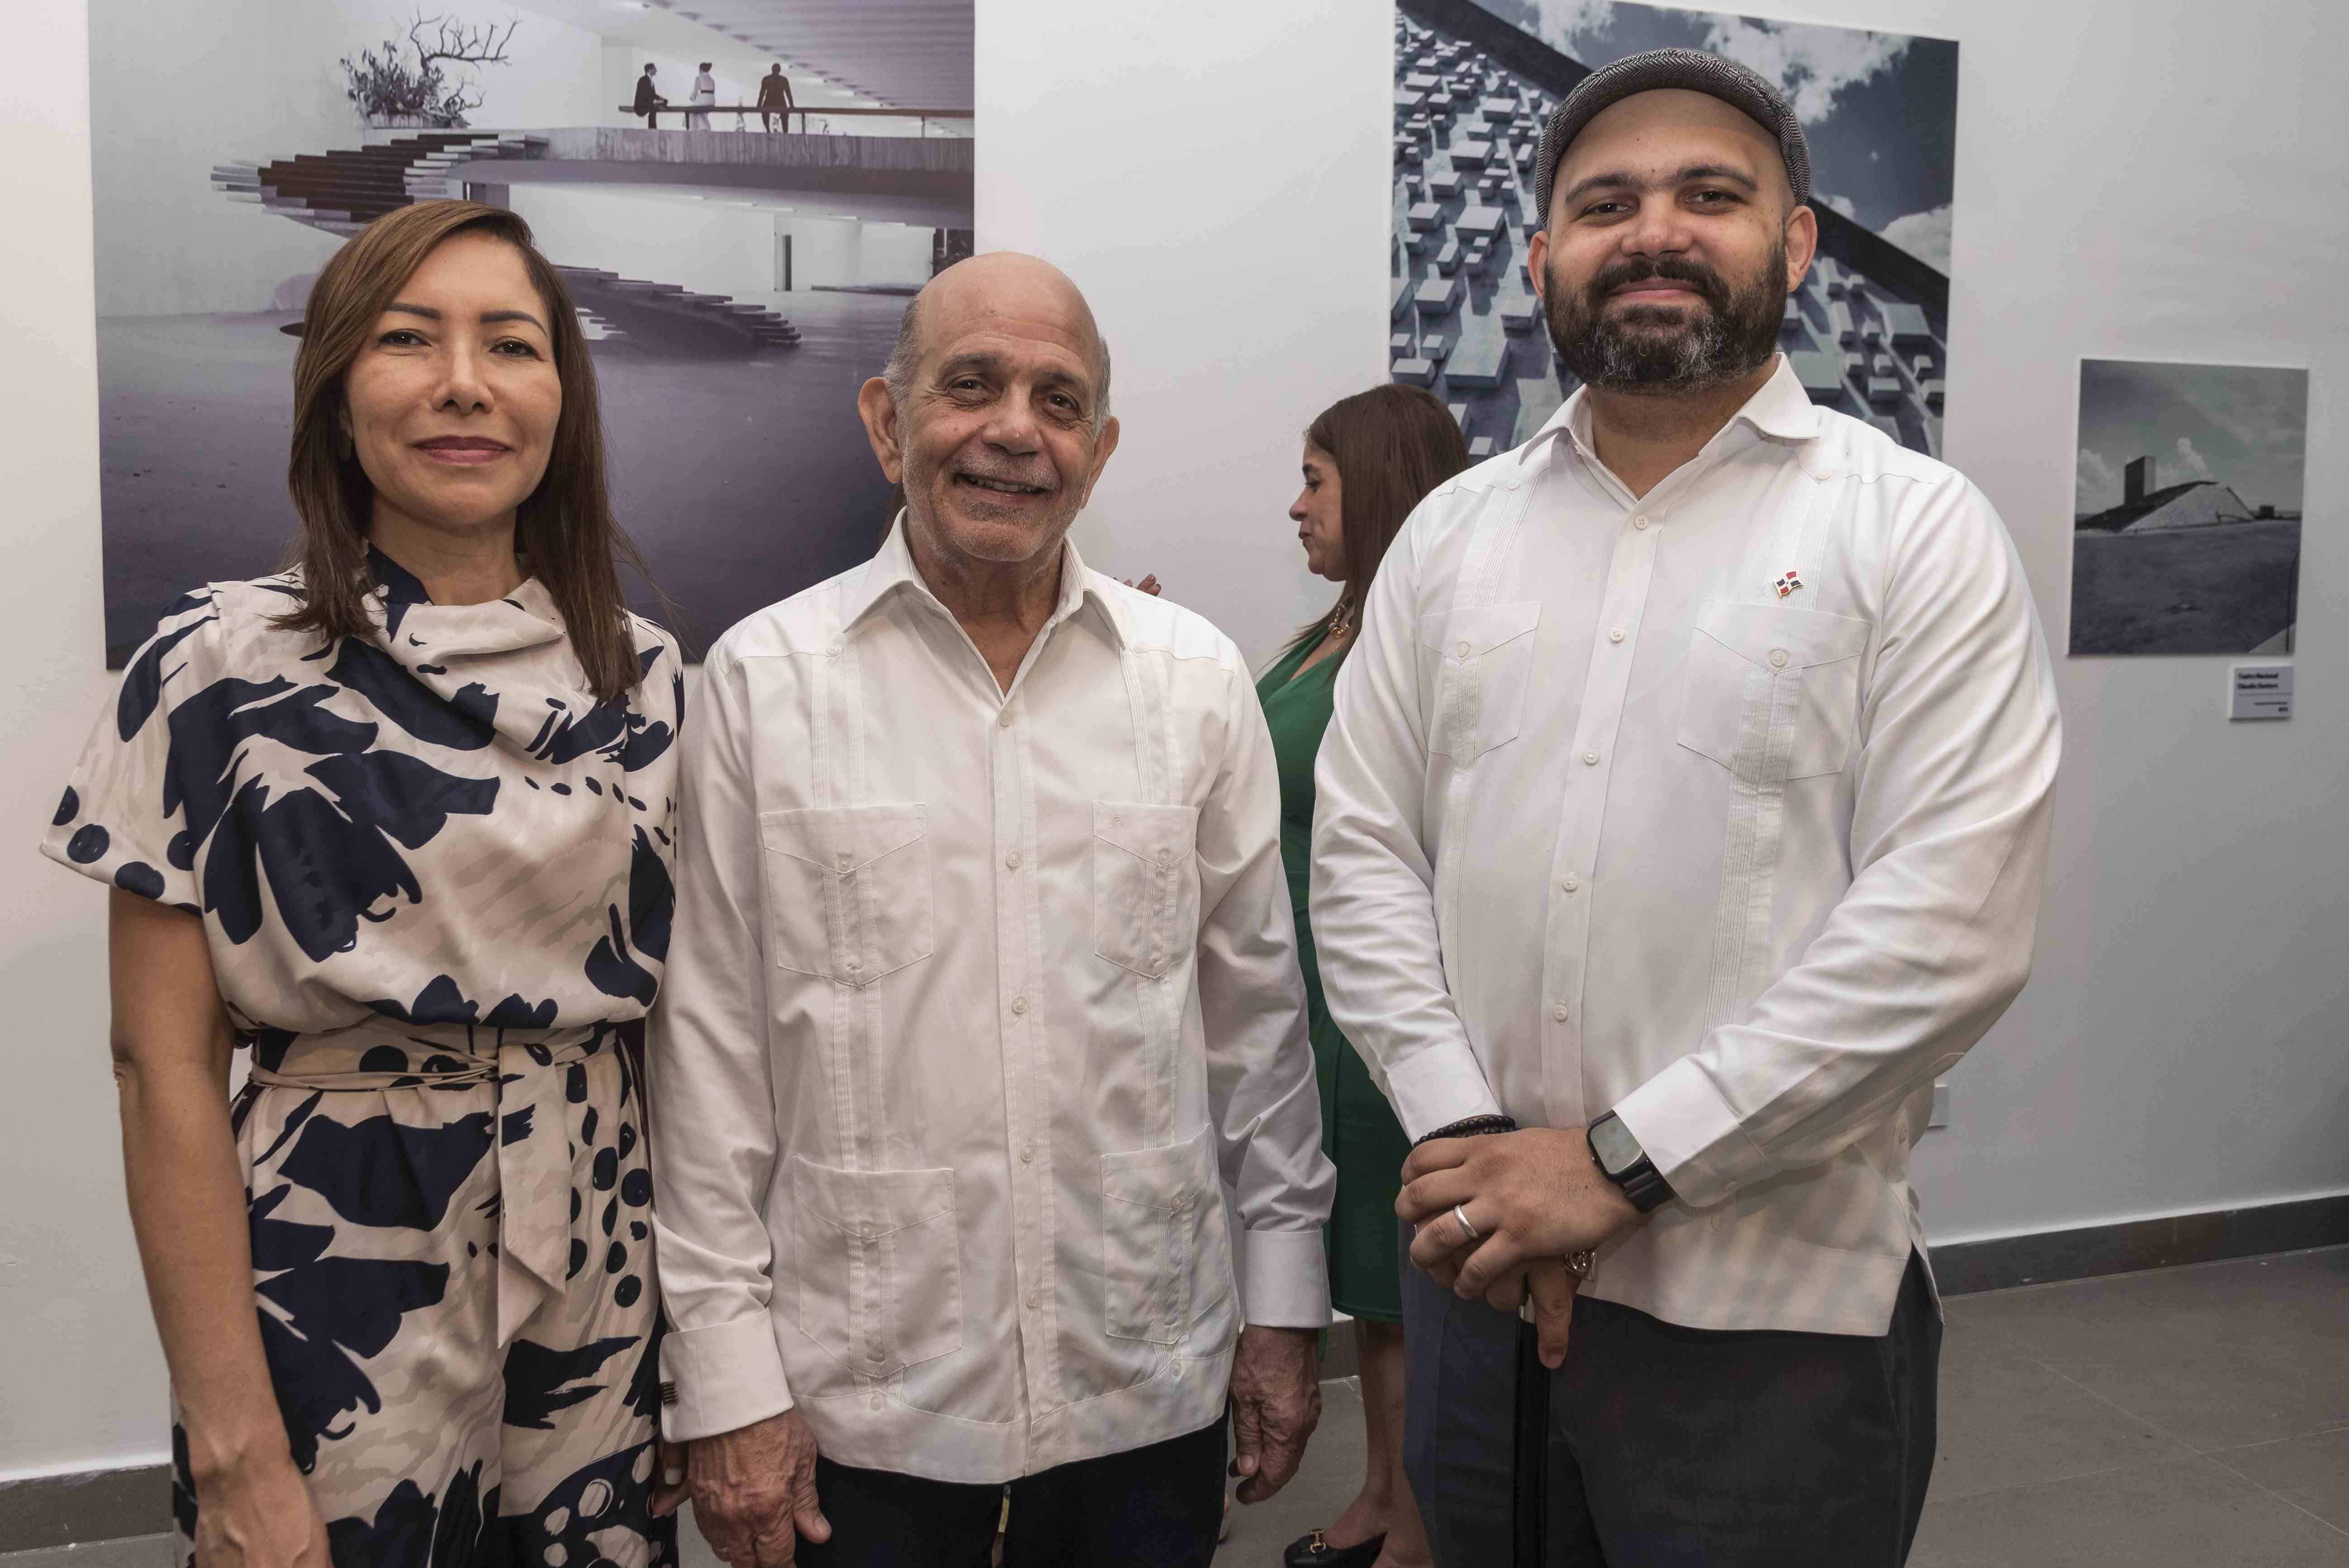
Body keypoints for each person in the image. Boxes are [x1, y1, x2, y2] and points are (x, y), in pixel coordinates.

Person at [1311, 48, 2061, 1568]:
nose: (1653, 230)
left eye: (1708, 195)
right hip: (1477, 1282)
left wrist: (1617, 1163)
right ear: (1543, 258)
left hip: (1765, 1315)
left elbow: (1946, 924)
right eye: (1604, 203)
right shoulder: (1452, 537)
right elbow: (1362, 849)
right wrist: (1472, 1144)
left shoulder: (1911, 529)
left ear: (1791, 244)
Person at [647, 251, 1335, 1568]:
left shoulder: (1192, 688)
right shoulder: (763, 684)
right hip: (866, 1405)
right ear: (885, 418)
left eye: (1058, 399)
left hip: (1145, 1382)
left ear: (1101, 446)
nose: (1017, 429)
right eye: (972, 385)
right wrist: (729, 1385)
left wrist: (1284, 1311)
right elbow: (713, 1064)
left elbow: (1257, 1031)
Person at [42, 199, 686, 1564]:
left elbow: (686, 1047)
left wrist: (702, 1370)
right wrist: (233, 1451)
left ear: (560, 398)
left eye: (511, 344)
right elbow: (160, 1068)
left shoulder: (649, 678)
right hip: (331, 1278)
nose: (464, 381)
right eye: (409, 339)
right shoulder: (214, 667)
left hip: (601, 1278)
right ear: (336, 397)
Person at [1261, 386, 1464, 1568]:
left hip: (1375, 1007)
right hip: (1303, 1003)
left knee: (1405, 1280)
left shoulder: (1417, 650)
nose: (1296, 505)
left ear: (1377, 487)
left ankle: (1423, 1529)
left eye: (1316, 479)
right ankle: (1385, 1498)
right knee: (1372, 1287)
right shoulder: (1330, 628)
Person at [756, 63, 794, 133]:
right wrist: (792, 106)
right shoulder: (783, 80)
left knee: (783, 115)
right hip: (777, 101)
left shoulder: (768, 79)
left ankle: (771, 130)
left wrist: (759, 105)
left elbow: (762, 94)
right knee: (784, 115)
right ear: (780, 70)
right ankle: (784, 131)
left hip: (773, 101)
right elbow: (788, 94)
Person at [633, 62, 668, 129]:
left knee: (664, 102)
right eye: (654, 69)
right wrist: (655, 101)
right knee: (654, 108)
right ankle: (652, 129)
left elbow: (652, 94)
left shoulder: (650, 81)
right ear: (649, 70)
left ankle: (653, 128)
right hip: (641, 106)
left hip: (648, 103)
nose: (656, 70)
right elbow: (645, 95)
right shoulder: (643, 80)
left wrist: (661, 99)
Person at [688, 62, 716, 131]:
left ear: (701, 69)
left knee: (692, 111)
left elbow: (695, 92)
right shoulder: (712, 80)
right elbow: (713, 92)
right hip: (712, 100)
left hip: (704, 98)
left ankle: (695, 129)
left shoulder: (699, 78)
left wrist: (692, 98)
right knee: (701, 113)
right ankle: (705, 127)